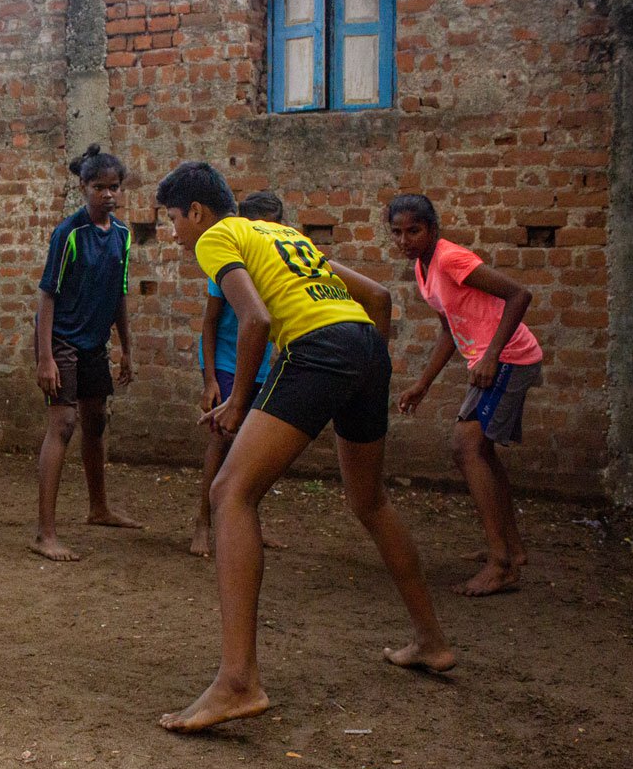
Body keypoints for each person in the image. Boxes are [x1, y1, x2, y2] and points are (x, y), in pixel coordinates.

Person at [154, 161, 455, 733]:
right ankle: (432, 641)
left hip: (317, 347)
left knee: (231, 492)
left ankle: (239, 682)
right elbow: (379, 296)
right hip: (362, 343)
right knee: (370, 501)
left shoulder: (218, 237)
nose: (173, 233)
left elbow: (256, 320)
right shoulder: (283, 235)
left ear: (195, 211)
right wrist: (369, 366)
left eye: (172, 220)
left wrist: (239, 402)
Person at [388, 194, 543, 596]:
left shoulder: (450, 258)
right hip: (492, 362)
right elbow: (449, 330)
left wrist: (490, 356)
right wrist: (423, 384)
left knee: (465, 447)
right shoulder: (423, 270)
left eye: (414, 231)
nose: (405, 240)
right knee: (480, 451)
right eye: (397, 233)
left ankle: (501, 565)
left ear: (432, 230)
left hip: (510, 358)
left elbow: (518, 295)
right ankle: (511, 548)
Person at [30, 144, 140, 563]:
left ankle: (99, 508)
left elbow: (120, 295)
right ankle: (45, 533)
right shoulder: (68, 233)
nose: (108, 195)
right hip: (61, 341)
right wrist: (46, 357)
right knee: (64, 423)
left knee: (96, 422)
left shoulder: (124, 236)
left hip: (95, 342)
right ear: (83, 187)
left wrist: (127, 349)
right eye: (99, 187)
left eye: (114, 187)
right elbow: (46, 297)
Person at [191, 190, 284, 557]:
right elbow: (210, 323)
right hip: (230, 363)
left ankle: (247, 519)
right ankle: (203, 522)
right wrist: (210, 379)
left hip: (262, 365)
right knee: (222, 438)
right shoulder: (228, 265)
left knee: (257, 448)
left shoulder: (277, 263)